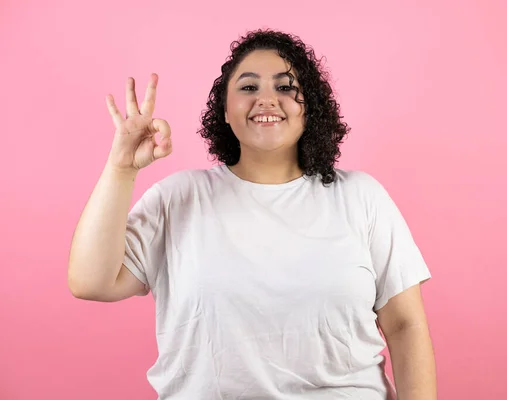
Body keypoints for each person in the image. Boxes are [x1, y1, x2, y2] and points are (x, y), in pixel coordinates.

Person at [68, 29, 437, 399]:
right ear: (225, 111)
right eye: (247, 88)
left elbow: (404, 325)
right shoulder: (180, 197)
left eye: (285, 87)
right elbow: (91, 281)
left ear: (309, 107)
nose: (266, 99)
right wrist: (122, 167)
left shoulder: (361, 196)